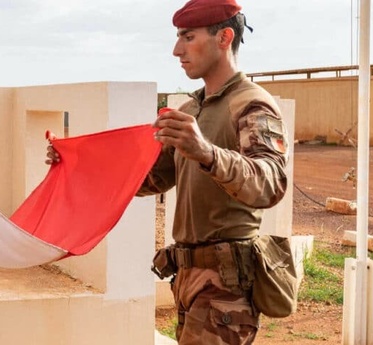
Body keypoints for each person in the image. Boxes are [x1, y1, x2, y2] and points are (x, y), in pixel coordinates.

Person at [48, 0, 288, 343]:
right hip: (188, 277)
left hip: (225, 284)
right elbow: (151, 177)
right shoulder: (192, 109)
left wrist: (205, 152)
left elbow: (270, 182)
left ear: (224, 38)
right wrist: (77, 167)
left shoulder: (250, 104)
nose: (177, 49)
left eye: (188, 37)